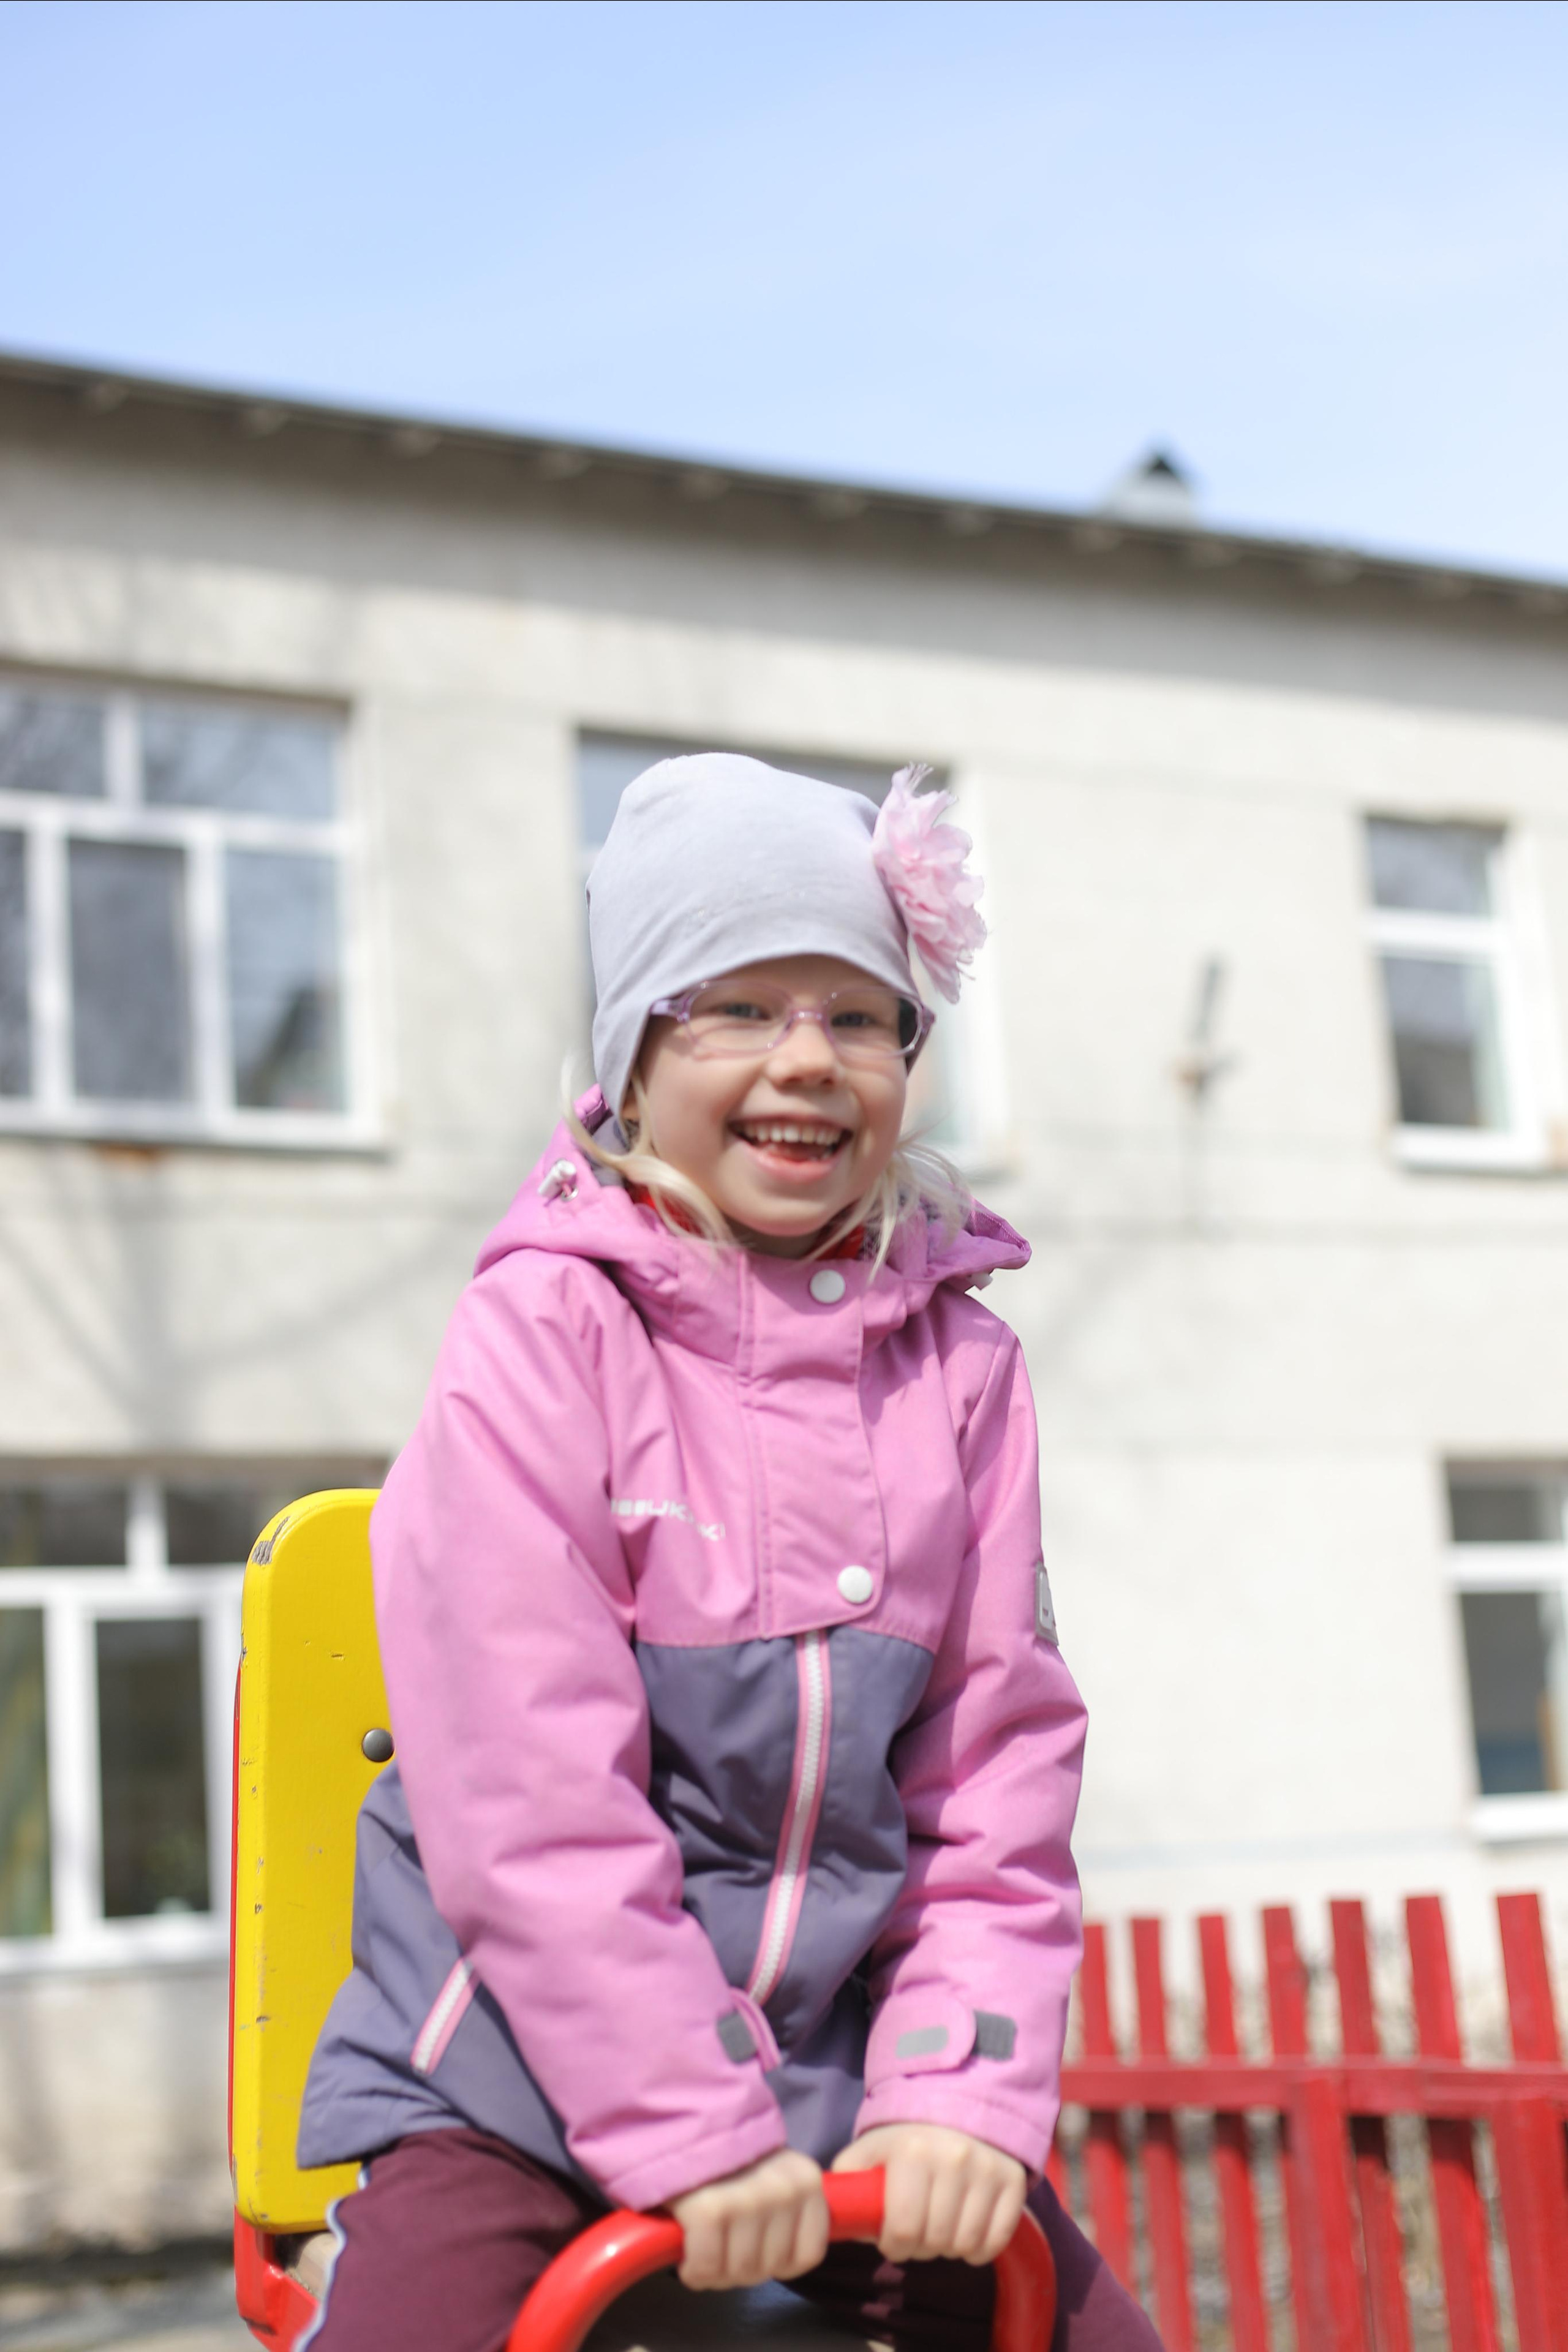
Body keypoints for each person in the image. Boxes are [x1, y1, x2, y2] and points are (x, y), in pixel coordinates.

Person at [296, 753, 1162, 2351]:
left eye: (858, 1015)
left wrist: (953, 2096)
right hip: (517, 2069)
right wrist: (690, 2125)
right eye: (742, 1010)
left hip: (836, 2081)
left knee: (1077, 2326)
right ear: (634, 1056)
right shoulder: (548, 1333)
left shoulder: (961, 1370)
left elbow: (996, 1771)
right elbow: (526, 1791)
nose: (809, 1061)